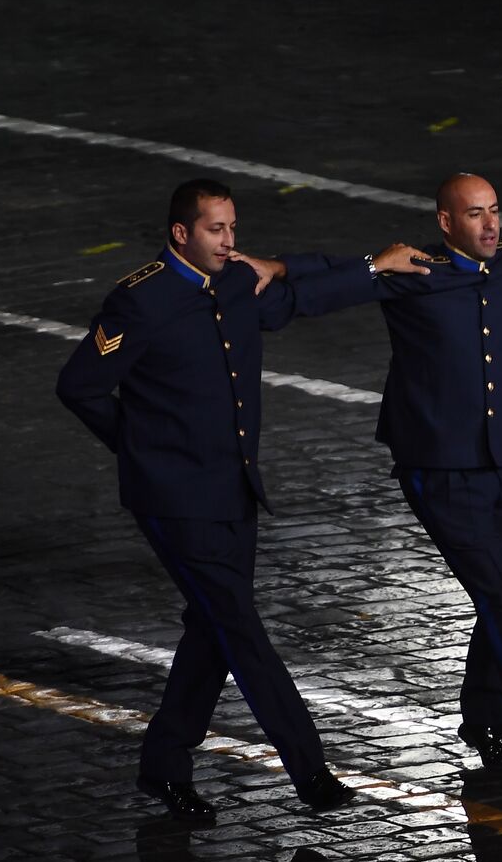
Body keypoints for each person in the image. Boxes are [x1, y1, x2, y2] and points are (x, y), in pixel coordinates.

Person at [56, 178, 430, 823]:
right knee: (239, 628)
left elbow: (299, 295)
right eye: (216, 230)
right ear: (181, 233)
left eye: (232, 229)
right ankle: (310, 771)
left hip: (234, 490)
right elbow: (80, 385)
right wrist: (147, 455)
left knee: (212, 628)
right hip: (174, 500)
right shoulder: (140, 301)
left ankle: (164, 764)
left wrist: (373, 267)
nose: (231, 242)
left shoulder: (232, 281)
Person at [262, 173, 502, 775]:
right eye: (476, 215)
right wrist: (312, 266)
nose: (491, 225)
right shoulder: (414, 271)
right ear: (447, 222)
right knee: (497, 595)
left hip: (501, 460)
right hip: (436, 466)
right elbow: (326, 283)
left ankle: (482, 718)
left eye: (496, 211)